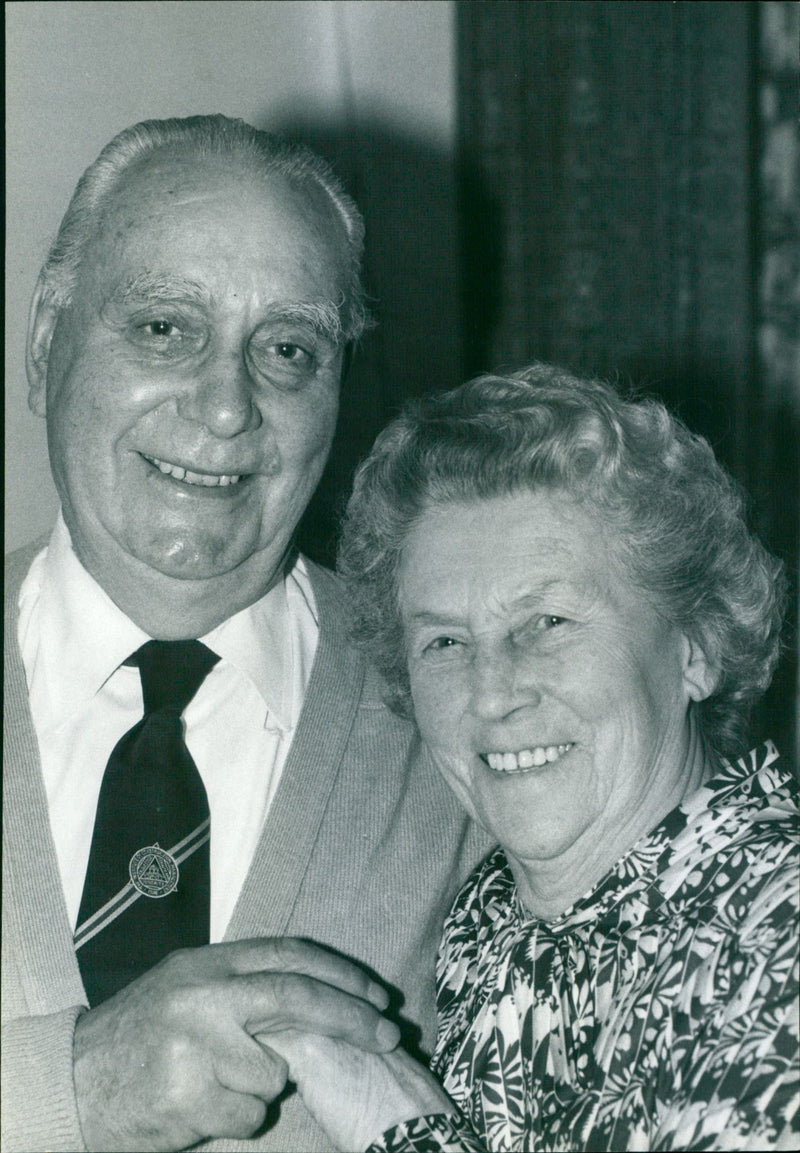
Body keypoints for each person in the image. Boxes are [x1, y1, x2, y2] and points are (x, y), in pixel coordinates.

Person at [2, 115, 489, 1153]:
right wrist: (69, 1089)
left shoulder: (473, 719)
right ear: (46, 338)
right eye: (163, 327)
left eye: (288, 349)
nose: (227, 406)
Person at [262, 365, 799, 1151]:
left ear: (699, 646)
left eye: (547, 622)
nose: (491, 693)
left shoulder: (779, 931)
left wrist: (399, 1128)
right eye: (445, 641)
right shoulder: (487, 919)